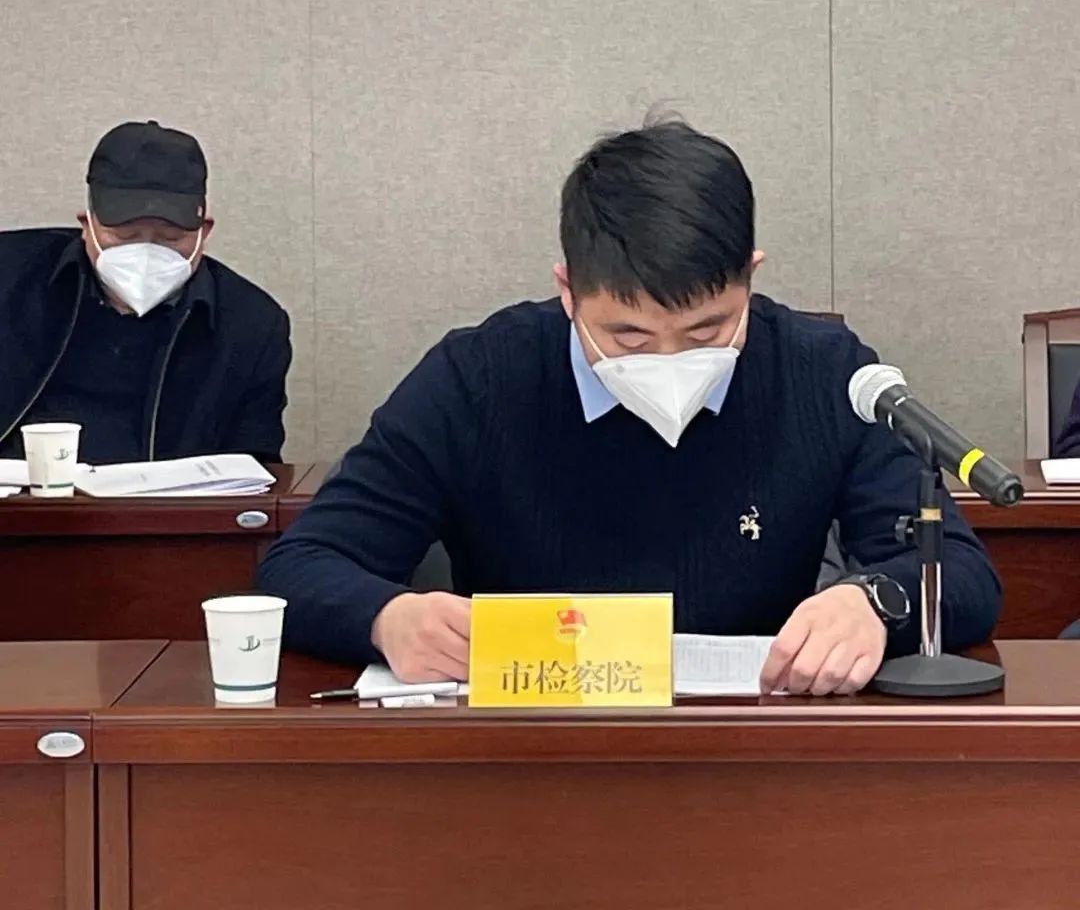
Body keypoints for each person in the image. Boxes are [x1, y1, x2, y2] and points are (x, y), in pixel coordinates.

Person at [259, 112, 1000, 694]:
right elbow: (303, 562)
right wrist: (387, 618)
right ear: (567, 290)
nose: (669, 362)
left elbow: (965, 575)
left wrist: (874, 601)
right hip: (528, 746)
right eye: (629, 336)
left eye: (707, 330)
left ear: (751, 275)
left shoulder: (822, 373)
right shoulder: (478, 378)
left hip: (749, 741)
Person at [0, 120, 291, 464]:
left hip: (168, 498)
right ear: (87, 224)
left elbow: (255, 467)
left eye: (171, 238)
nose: (146, 252)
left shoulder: (252, 325)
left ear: (204, 232)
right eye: (125, 236)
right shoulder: (11, 275)